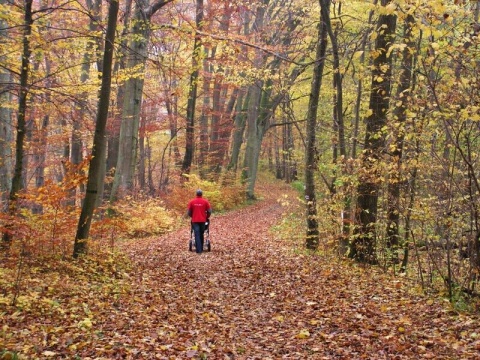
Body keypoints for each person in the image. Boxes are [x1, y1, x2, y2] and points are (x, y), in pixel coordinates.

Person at [187, 189, 212, 254]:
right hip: (203, 220)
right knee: (201, 233)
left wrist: (192, 216)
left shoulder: (192, 202)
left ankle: (199, 249)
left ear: (196, 194)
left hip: (195, 221)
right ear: (202, 194)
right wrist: (207, 217)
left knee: (197, 234)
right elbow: (209, 211)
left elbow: (189, 212)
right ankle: (200, 248)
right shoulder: (205, 202)